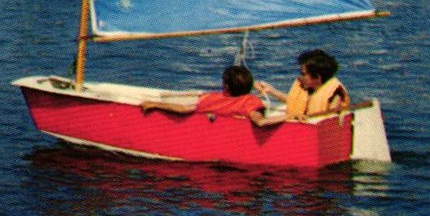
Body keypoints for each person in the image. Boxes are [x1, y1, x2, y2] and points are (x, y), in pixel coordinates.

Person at [140, 64, 272, 123]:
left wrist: (155, 104)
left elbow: (184, 109)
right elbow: (258, 118)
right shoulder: (252, 101)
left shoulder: (212, 99)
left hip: (206, 106)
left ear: (226, 86)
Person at [258, 48, 349, 120]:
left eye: (303, 74)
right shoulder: (307, 88)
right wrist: (271, 91)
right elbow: (293, 100)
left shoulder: (335, 95)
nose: (300, 77)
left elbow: (329, 118)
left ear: (317, 77)